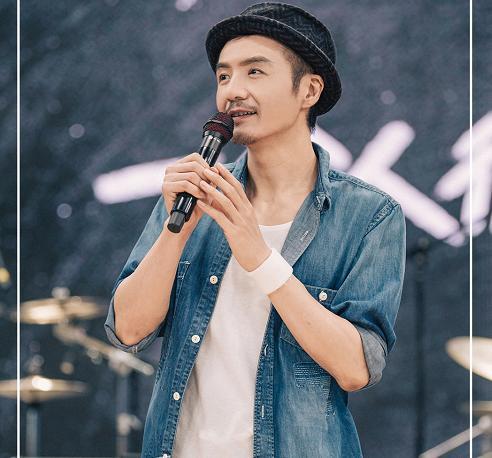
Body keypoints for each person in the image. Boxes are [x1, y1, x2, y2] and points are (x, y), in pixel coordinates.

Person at [104, 3, 406, 457]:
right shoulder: (195, 193)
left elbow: (356, 368)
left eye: (255, 72)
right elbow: (127, 329)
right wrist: (176, 232)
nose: (233, 91)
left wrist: (260, 257)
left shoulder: (369, 215)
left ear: (309, 90)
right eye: (224, 76)